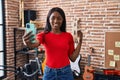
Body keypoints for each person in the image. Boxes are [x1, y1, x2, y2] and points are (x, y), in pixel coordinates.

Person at [23, 7, 83, 80]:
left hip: (66, 72)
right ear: (49, 19)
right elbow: (34, 44)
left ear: (63, 20)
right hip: (49, 73)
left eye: (59, 18)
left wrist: (80, 41)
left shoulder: (68, 36)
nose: (56, 21)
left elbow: (73, 58)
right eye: (53, 18)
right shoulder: (43, 35)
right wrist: (27, 42)